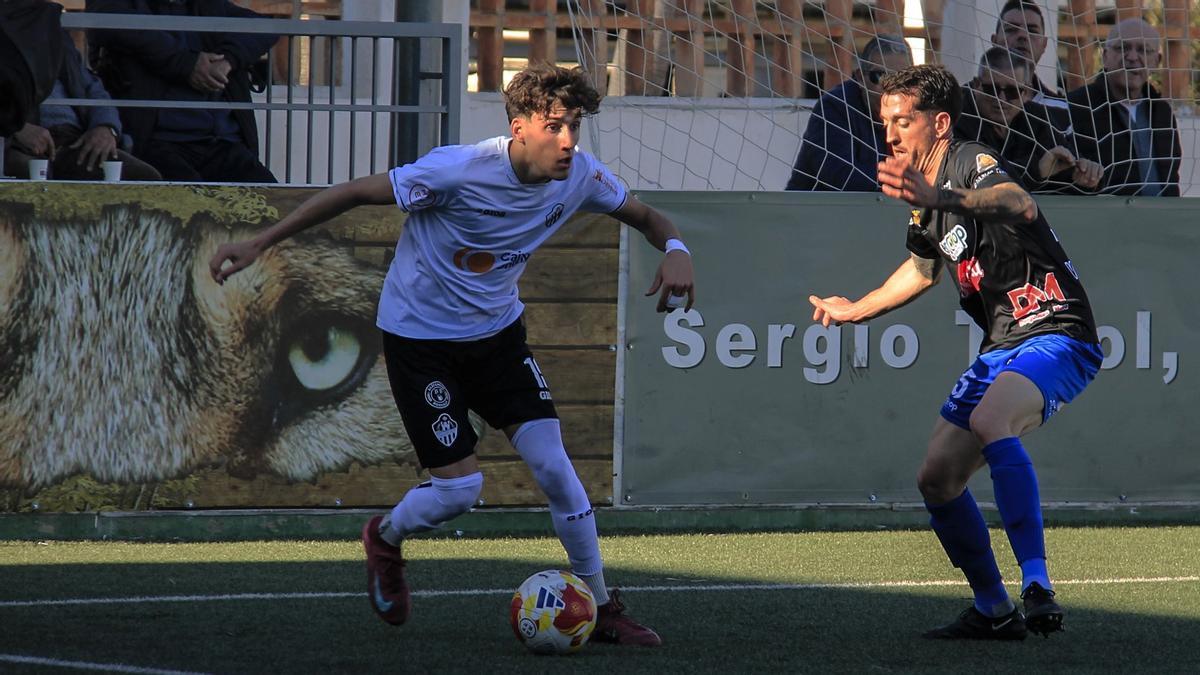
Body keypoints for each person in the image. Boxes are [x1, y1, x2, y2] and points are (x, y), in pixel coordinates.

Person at [208, 64, 693, 646]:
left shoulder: (582, 177)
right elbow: (354, 192)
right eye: (555, 127)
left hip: (497, 338)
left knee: (555, 468)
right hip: (421, 341)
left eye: (575, 127)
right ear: (519, 127)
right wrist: (259, 243)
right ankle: (385, 538)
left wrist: (676, 247)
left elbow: (645, 216)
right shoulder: (458, 170)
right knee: (461, 492)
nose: (568, 142)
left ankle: (603, 605)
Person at [809, 64, 1101, 640]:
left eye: (903, 121)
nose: (890, 134)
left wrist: (942, 193)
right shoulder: (925, 200)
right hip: (1002, 346)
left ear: (939, 123)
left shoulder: (968, 160)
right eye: (884, 121)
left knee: (994, 421)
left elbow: (1018, 202)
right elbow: (921, 270)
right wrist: (856, 308)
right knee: (937, 478)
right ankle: (994, 610)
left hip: (1055, 328)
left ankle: (1037, 583)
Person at [86, 0, 278, 183]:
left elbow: (265, 27)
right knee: (189, 208)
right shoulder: (125, 5)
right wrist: (185, 64)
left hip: (222, 142)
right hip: (157, 143)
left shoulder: (208, 6)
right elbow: (105, 22)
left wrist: (227, 61)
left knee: (275, 205)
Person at [4, 28, 162, 181]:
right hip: (17, 142)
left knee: (144, 177)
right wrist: (17, 128)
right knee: (30, 180)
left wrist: (106, 127)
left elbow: (93, 88)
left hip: (73, 141)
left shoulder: (55, 35)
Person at [955, 47, 1100, 193]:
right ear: (976, 85)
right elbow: (976, 181)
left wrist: (1085, 176)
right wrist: (1036, 170)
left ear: (1026, 92)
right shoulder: (955, 119)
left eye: (1013, 91)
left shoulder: (1036, 118)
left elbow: (1064, 169)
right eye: (992, 89)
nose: (1001, 99)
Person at [1067, 18, 1181, 197]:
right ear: (1105, 57)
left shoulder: (1163, 113)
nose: (1133, 57)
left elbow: (1171, 179)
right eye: (1123, 48)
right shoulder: (1076, 106)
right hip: (1103, 221)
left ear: (1156, 61)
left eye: (1143, 50)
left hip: (1161, 221)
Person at [786, 35, 912, 192]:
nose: (891, 87)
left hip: (885, 211)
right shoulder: (835, 107)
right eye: (880, 76)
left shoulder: (920, 109)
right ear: (860, 77)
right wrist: (907, 182)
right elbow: (840, 177)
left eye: (903, 78)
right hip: (819, 212)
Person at [989, 0, 1071, 136]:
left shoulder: (1062, 109)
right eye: (1011, 29)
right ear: (995, 40)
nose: (1022, 36)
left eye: (1032, 31)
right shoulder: (969, 100)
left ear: (1044, 45)